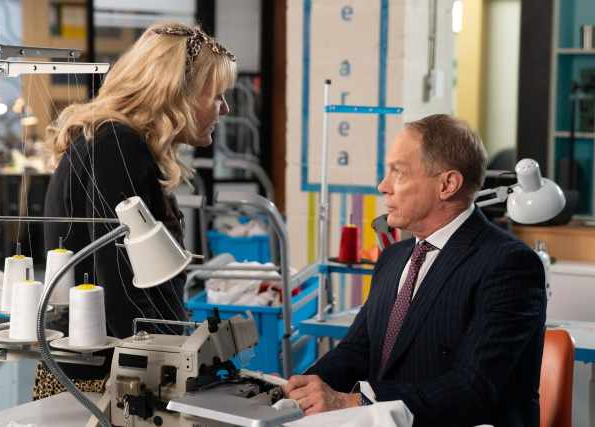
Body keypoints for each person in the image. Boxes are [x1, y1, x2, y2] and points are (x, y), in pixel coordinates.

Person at [284, 114, 547, 427]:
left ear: (447, 185)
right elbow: (357, 350)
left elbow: (472, 389)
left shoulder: (509, 264)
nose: (383, 186)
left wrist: (351, 401)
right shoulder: (393, 258)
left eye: (398, 172)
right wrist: (301, 390)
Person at [34, 22, 236, 399]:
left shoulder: (112, 141)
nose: (225, 108)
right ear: (177, 93)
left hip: (102, 368)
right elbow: (123, 288)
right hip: (105, 381)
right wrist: (179, 367)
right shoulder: (117, 147)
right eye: (217, 96)